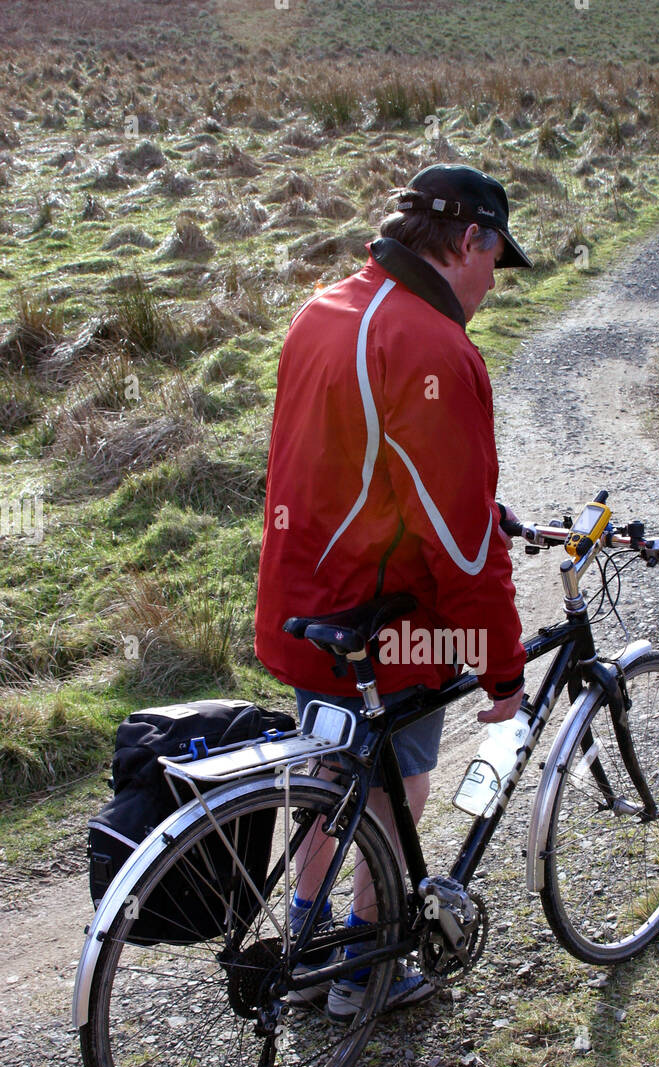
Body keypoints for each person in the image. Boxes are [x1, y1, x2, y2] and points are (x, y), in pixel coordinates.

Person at [254, 163, 532, 1018]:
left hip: (300, 604)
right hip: (382, 622)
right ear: (468, 240)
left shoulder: (327, 306)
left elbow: (360, 459)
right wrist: (502, 667)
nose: (494, 281)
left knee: (333, 774)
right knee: (395, 781)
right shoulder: (433, 345)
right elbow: (460, 544)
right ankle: (357, 974)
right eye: (495, 259)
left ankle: (306, 943)